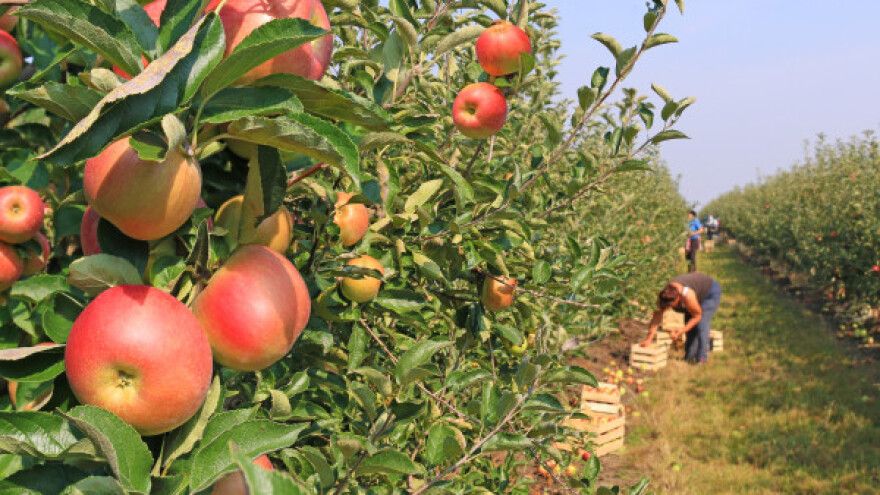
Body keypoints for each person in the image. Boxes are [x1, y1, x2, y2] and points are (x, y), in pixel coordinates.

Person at [639, 272, 722, 364]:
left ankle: (702, 358)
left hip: (709, 292)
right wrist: (648, 339)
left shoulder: (688, 296)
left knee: (702, 324)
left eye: (672, 305)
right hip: (695, 293)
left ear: (678, 297)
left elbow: (697, 316)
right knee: (689, 325)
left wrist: (682, 330)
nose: (669, 308)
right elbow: (656, 319)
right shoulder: (664, 296)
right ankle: (689, 357)